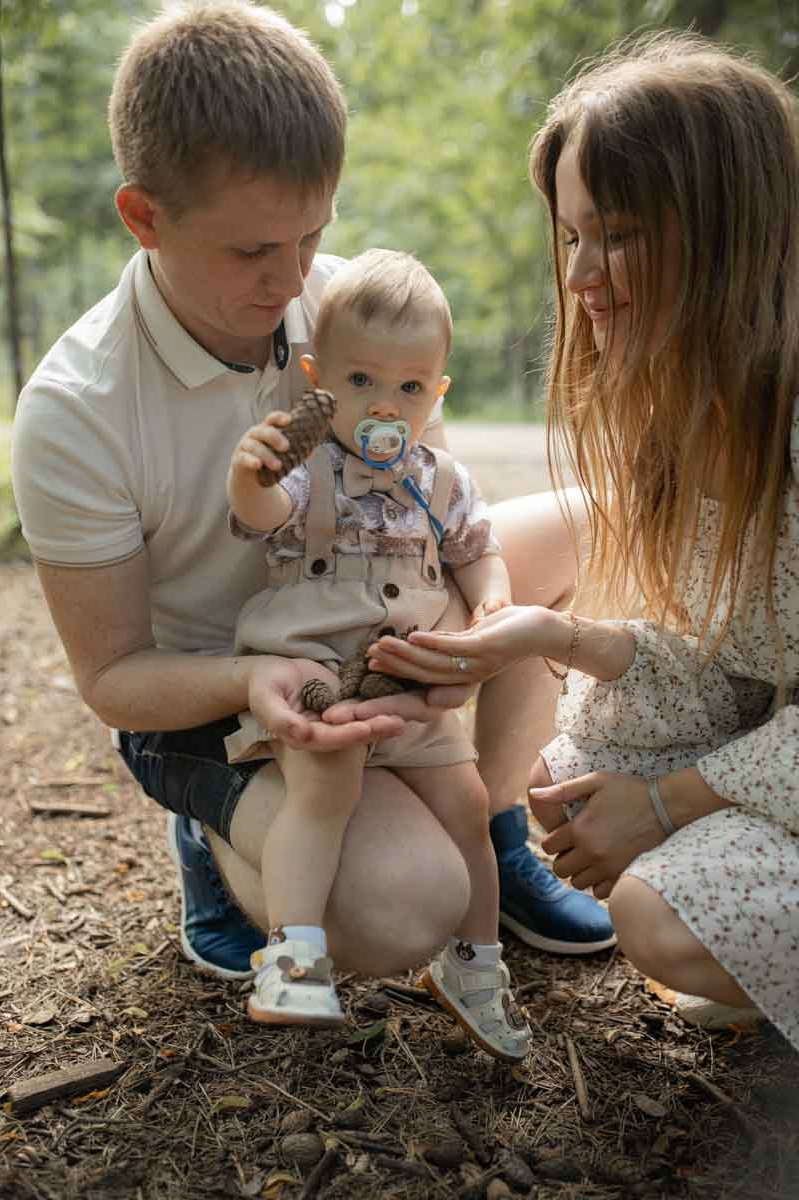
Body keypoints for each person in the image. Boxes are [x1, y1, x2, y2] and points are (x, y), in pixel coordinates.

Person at [10, 0, 612, 987]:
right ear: (143, 215)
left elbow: (433, 507)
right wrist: (250, 685)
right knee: (400, 915)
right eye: (251, 251)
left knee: (591, 523)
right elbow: (114, 679)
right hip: (221, 690)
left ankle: (489, 822)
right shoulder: (76, 409)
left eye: (311, 234)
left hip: (367, 616)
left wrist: (461, 633)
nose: (292, 279)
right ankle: (215, 833)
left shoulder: (340, 300)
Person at [364, 32, 799, 1051]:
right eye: (569, 239)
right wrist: (550, 640)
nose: (583, 278)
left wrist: (666, 801)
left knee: (657, 912)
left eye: (620, 235)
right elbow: (741, 665)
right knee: (594, 744)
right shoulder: (695, 411)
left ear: (728, 230)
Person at [216, 248, 530, 1058]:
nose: (385, 405)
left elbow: (476, 549)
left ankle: (476, 962)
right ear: (320, 380)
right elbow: (257, 516)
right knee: (323, 785)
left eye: (410, 388)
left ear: (438, 392)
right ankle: (294, 953)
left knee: (469, 805)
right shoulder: (310, 470)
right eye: (361, 383)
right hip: (317, 675)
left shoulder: (446, 481)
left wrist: (492, 593)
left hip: (409, 683)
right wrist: (252, 473)